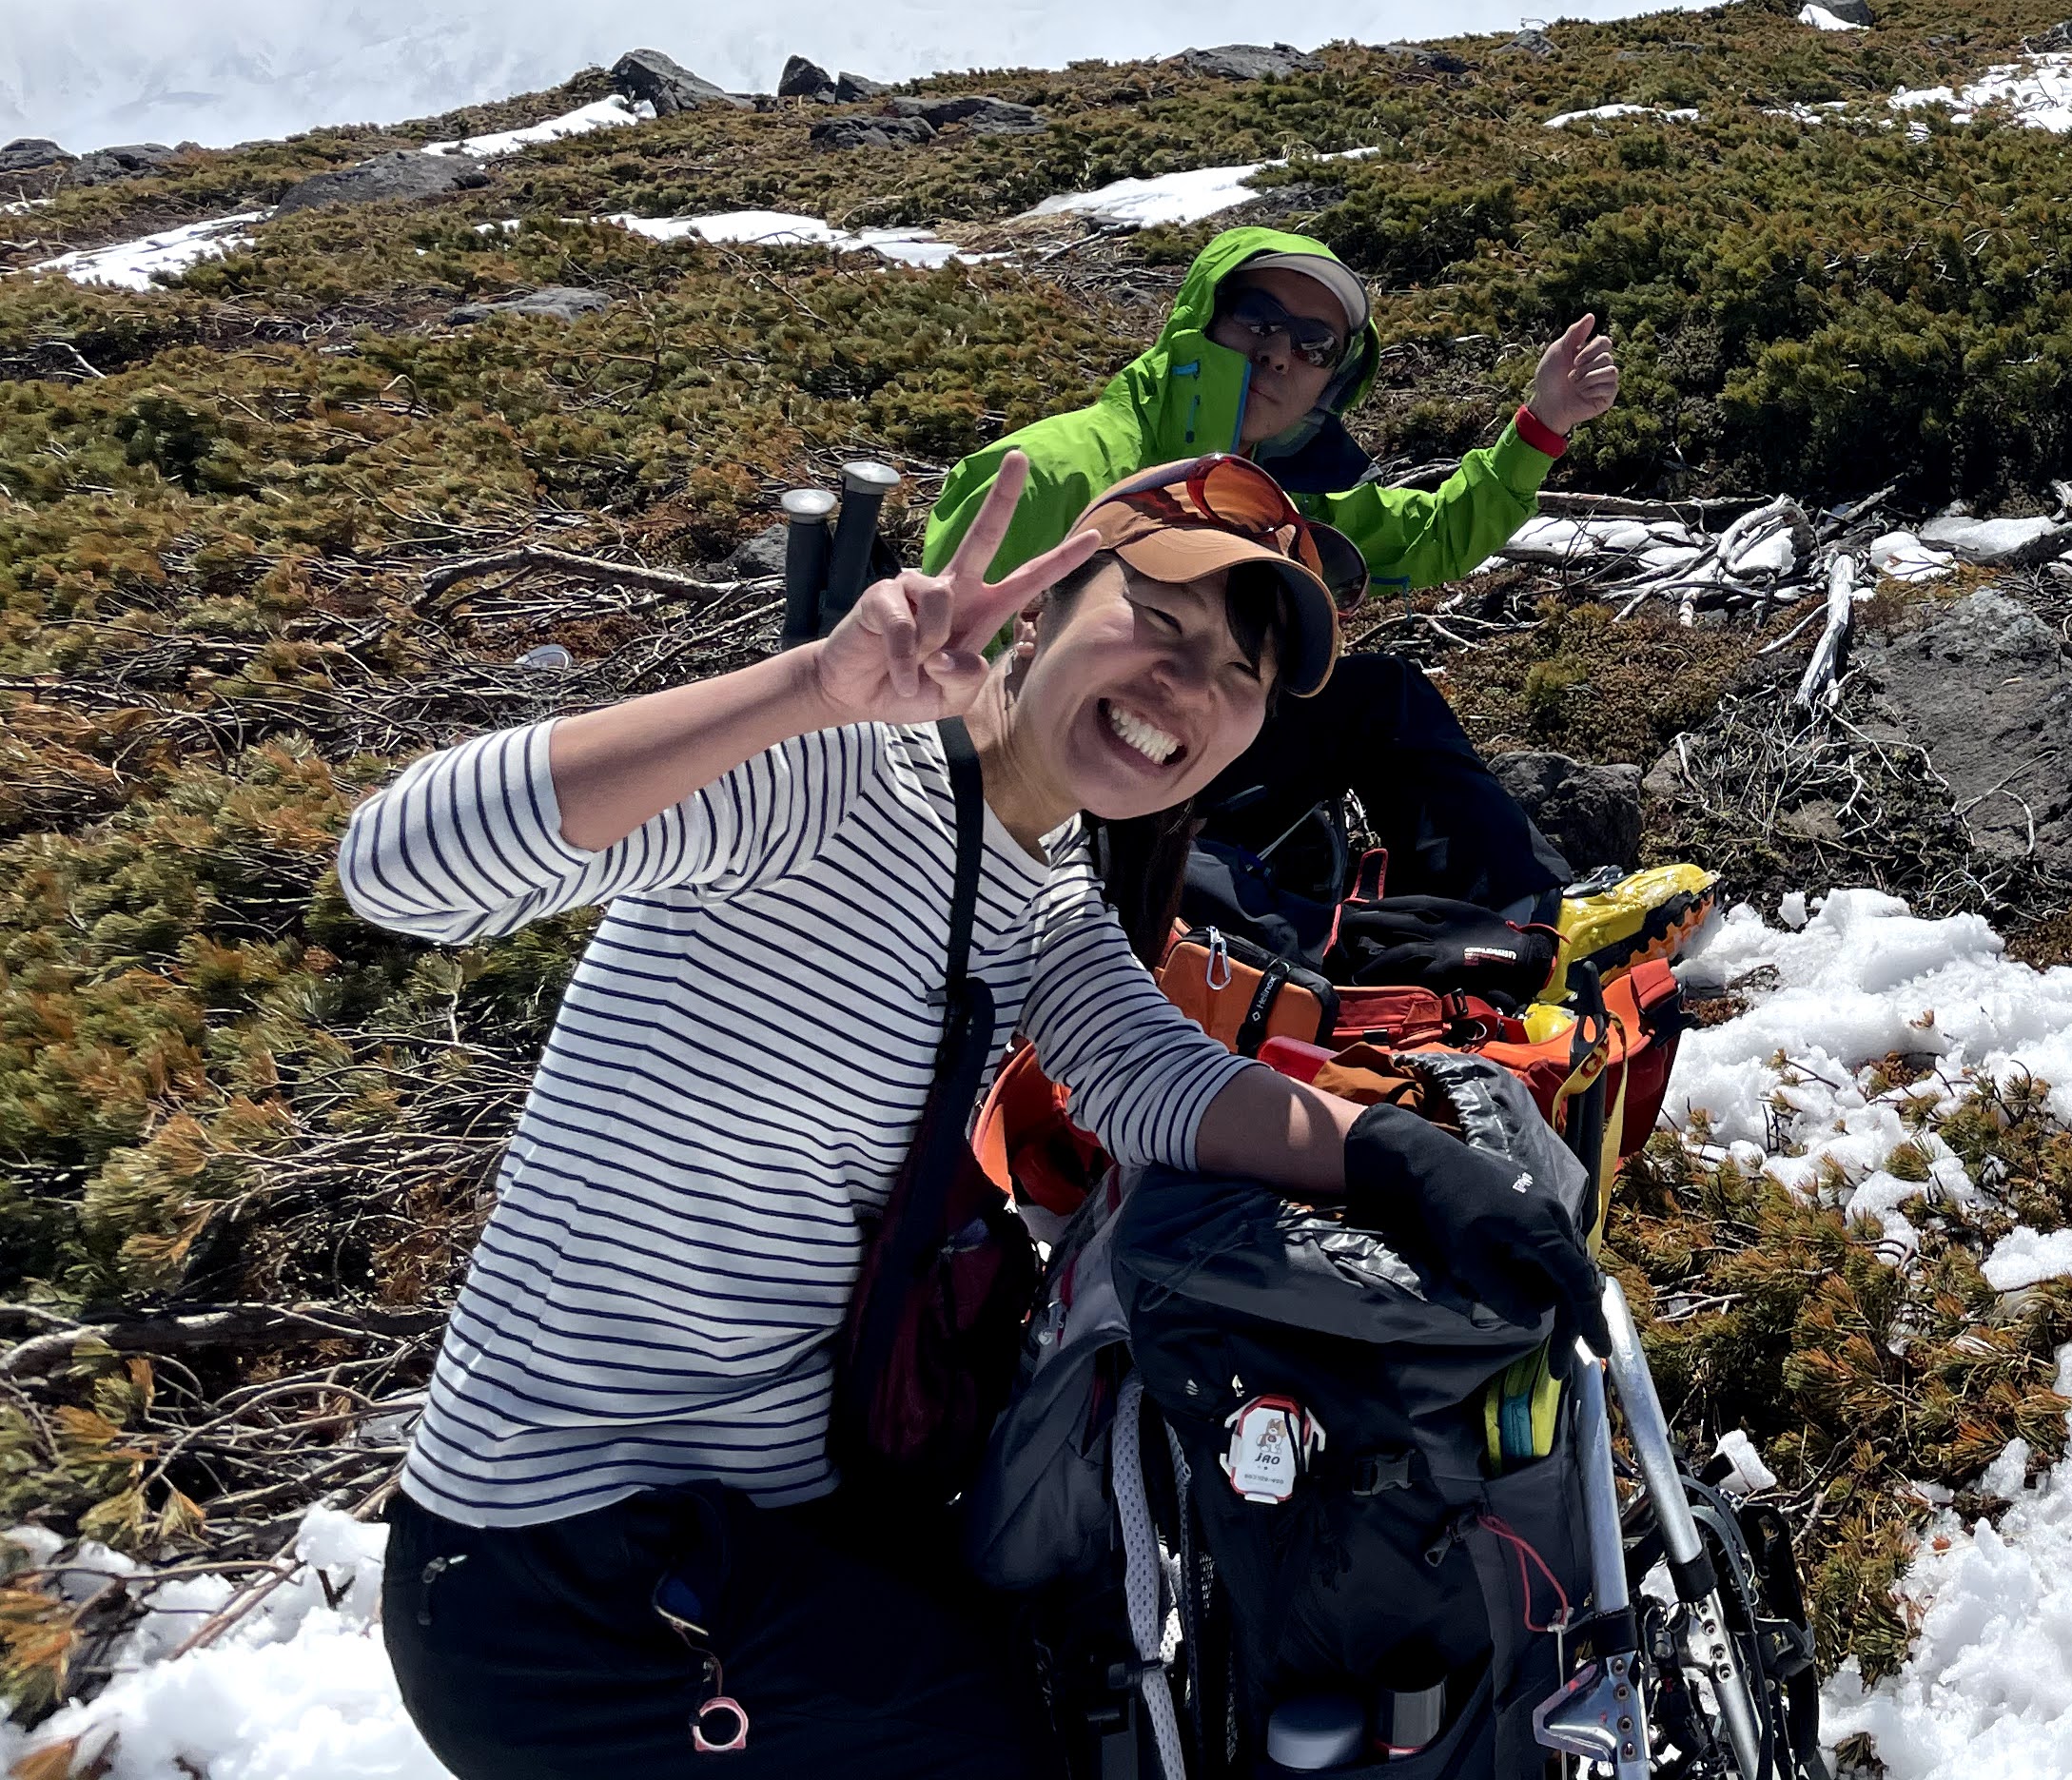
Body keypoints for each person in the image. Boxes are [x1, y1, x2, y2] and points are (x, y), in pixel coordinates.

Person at [347, 452, 1604, 1780]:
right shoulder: (822, 777)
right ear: (1044, 607)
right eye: (1159, 623)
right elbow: (396, 866)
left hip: (773, 1525)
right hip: (568, 1570)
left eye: (1238, 675)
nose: (1189, 686)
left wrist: (1401, 1162)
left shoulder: (1048, 887)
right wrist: (806, 687)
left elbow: (1152, 1076)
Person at [920, 227, 1617, 934]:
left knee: (1382, 696)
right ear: (1201, 319)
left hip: (1193, 753)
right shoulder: (1053, 472)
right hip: (1063, 789)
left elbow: (1430, 537)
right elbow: (937, 695)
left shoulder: (1276, 499)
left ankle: (1525, 918)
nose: (1280, 352)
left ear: (1333, 378)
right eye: (1257, 316)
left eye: (1314, 344)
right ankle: (1355, 959)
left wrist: (1543, 425)